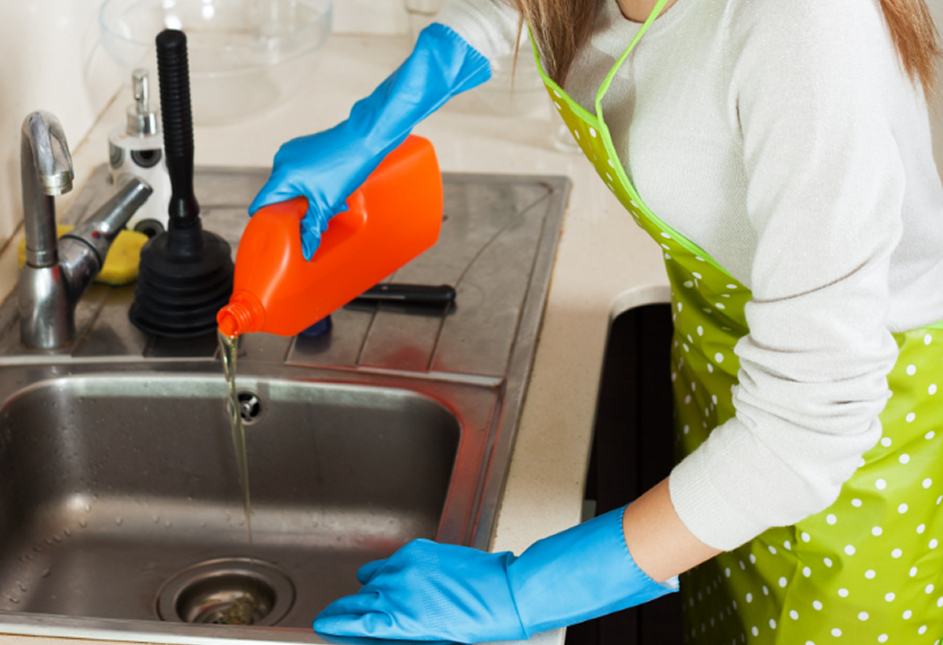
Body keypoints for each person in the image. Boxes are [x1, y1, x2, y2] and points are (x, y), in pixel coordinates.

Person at [249, 0, 943, 641]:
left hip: (853, 444)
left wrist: (525, 590)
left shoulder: (802, 26)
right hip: (728, 381)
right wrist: (379, 117)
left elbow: (807, 432)